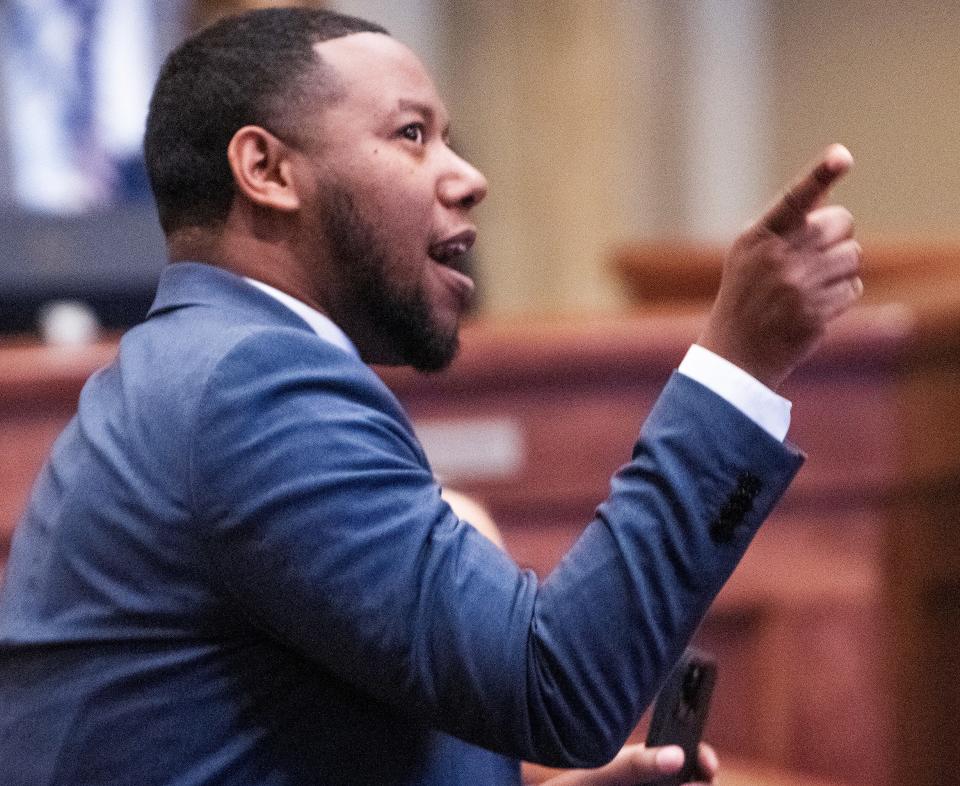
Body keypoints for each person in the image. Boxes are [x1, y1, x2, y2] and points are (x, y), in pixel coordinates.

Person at [0, 8, 862, 786]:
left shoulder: (196, 369)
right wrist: (739, 363)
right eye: (412, 135)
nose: (468, 176)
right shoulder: (251, 390)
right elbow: (562, 686)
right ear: (266, 168)